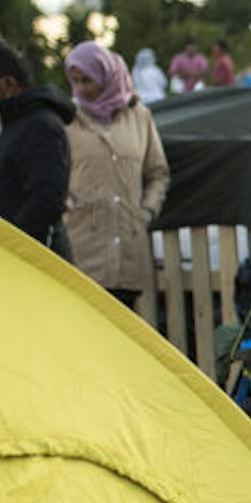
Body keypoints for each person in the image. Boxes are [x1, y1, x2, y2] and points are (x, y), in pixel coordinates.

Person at [62, 42, 170, 308]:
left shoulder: (139, 116)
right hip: (83, 251)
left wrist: (147, 210)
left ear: (106, 76)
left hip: (128, 249)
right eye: (74, 81)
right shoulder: (67, 119)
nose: (80, 88)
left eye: (87, 80)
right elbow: (52, 173)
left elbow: (158, 173)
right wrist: (66, 203)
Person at [0, 39, 74, 255]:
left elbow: (47, 200)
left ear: (8, 83)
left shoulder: (40, 126)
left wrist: (11, 239)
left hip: (30, 256)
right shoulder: (13, 122)